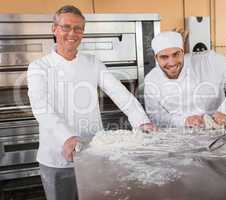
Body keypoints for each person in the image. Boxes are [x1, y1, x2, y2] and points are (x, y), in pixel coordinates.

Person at [27, 5, 156, 200]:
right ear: (54, 29)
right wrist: (67, 137)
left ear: (83, 33)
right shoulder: (39, 67)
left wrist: (141, 120)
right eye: (66, 27)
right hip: (56, 156)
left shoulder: (92, 63)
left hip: (92, 152)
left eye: (78, 28)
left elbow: (119, 93)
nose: (72, 33)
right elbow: (41, 107)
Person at [144, 31, 226, 128]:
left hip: (219, 133)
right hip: (178, 139)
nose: (172, 62)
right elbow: (156, 116)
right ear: (156, 58)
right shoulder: (151, 80)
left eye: (176, 54)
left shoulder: (208, 61)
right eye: (164, 57)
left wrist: (225, 110)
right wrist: (184, 121)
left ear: (183, 52)